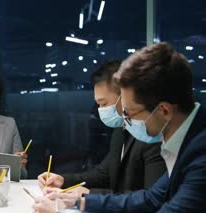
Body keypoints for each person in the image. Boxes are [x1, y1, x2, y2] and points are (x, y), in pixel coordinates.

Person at [33, 42, 206, 213]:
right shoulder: (189, 137)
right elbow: (151, 198)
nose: (125, 122)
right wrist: (77, 203)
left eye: (130, 113)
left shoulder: (200, 153)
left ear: (164, 110)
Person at [38, 61, 166, 194]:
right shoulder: (120, 130)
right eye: (98, 105)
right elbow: (104, 173)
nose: (101, 110)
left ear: (126, 97)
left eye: (104, 104)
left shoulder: (150, 134)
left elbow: (151, 199)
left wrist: (89, 195)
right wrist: (63, 180)